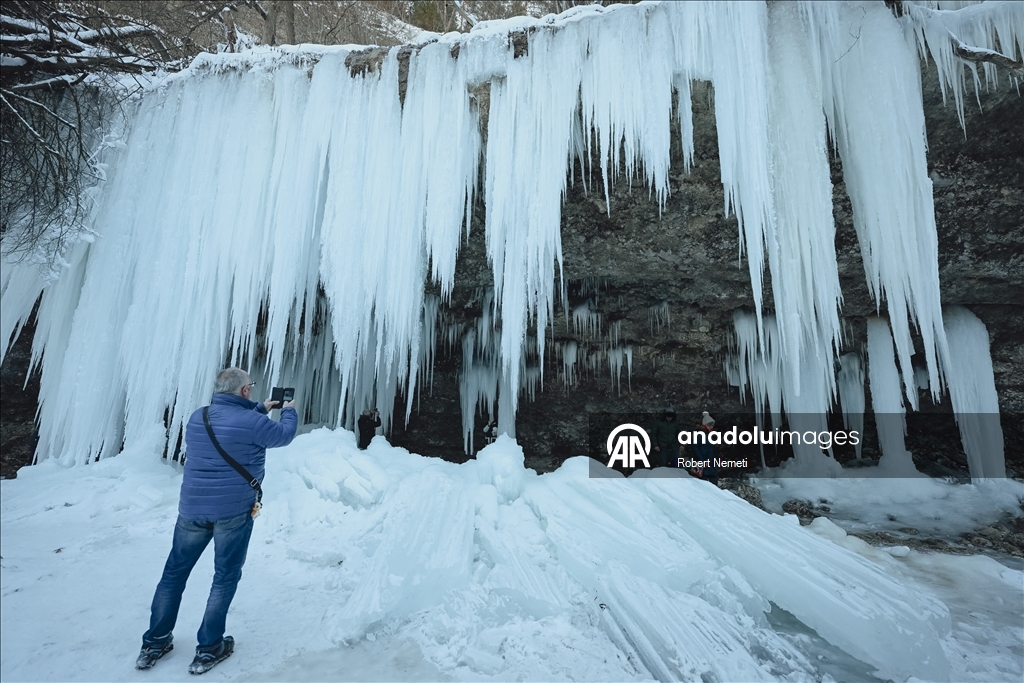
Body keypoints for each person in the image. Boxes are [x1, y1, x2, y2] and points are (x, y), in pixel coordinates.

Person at [136, 368, 297, 674]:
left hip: (192, 509)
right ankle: (209, 648)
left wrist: (262, 407)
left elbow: (231, 421)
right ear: (245, 392)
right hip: (233, 511)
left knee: (173, 575)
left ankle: (154, 643)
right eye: (250, 387)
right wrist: (287, 411)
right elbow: (283, 436)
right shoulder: (253, 423)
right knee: (224, 577)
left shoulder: (199, 417)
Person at [690, 411, 719, 485]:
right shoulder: (700, 434)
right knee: (704, 481)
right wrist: (701, 459)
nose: (712, 427)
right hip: (703, 461)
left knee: (712, 479)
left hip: (709, 460)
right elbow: (695, 447)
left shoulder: (708, 434)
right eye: (710, 425)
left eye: (712, 425)